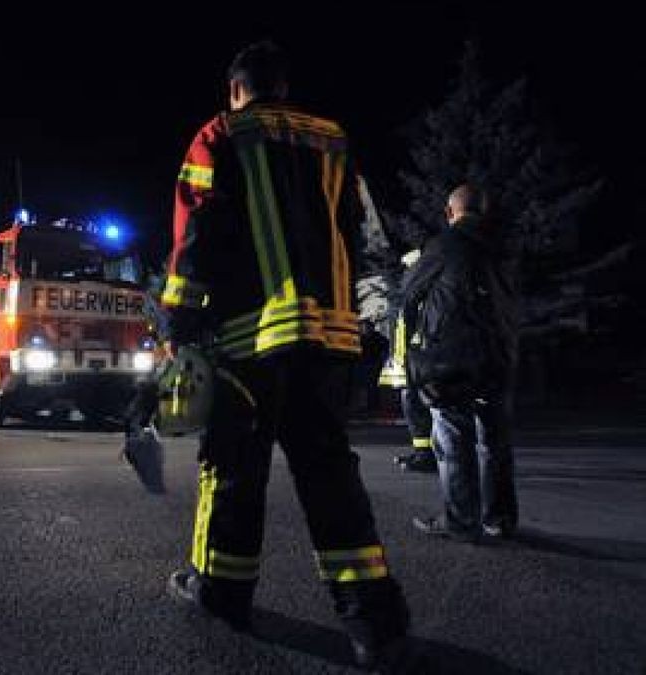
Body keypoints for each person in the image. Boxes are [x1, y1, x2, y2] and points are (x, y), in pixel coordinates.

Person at [159, 40, 408, 668]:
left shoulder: (220, 134)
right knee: (329, 473)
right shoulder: (333, 141)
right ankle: (373, 622)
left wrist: (179, 321)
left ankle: (222, 593)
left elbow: (195, 236)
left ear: (236, 89)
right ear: (284, 87)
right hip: (326, 338)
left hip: (250, 339)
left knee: (234, 468)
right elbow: (362, 230)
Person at [404, 185, 519, 542]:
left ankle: (461, 521)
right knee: (495, 442)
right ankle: (499, 519)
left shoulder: (444, 245)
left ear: (450, 212)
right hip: (498, 358)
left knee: (453, 439)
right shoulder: (501, 250)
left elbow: (410, 291)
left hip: (452, 360)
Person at [378, 250, 436, 473]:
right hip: (410, 359)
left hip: (419, 359)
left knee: (419, 405)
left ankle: (427, 454)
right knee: (413, 404)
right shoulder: (406, 291)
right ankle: (424, 452)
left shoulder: (420, 291)